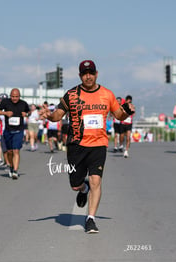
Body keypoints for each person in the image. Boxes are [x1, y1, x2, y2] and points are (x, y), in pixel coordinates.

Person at [41, 60, 135, 233]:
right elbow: (57, 116)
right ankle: (82, 189)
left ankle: (90, 218)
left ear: (96, 74)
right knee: (75, 185)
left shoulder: (107, 94)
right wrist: (49, 115)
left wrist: (127, 110)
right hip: (76, 145)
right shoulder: (71, 95)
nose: (88, 76)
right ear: (80, 76)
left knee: (96, 180)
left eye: (91, 73)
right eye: (85, 73)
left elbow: (119, 115)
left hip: (98, 145)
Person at [0, 88, 30, 180]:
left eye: (16, 96)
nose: (14, 98)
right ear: (10, 96)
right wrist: (5, 113)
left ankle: (15, 171)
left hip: (19, 130)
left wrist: (26, 114)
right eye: (13, 96)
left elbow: (29, 111)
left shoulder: (23, 103)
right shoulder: (6, 102)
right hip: (8, 131)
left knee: (16, 151)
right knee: (9, 152)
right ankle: (10, 166)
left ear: (19, 96)